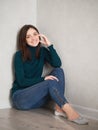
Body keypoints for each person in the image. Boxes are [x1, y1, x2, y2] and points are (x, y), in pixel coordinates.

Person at [10, 24, 88, 125]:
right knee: (49, 81)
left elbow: (57, 64)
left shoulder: (42, 51)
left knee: (59, 71)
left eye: (35, 34)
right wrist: (44, 79)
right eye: (28, 36)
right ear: (24, 40)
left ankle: (59, 108)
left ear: (39, 35)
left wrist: (49, 45)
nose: (33, 38)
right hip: (21, 98)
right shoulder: (18, 55)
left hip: (37, 99)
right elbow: (21, 82)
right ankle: (70, 112)